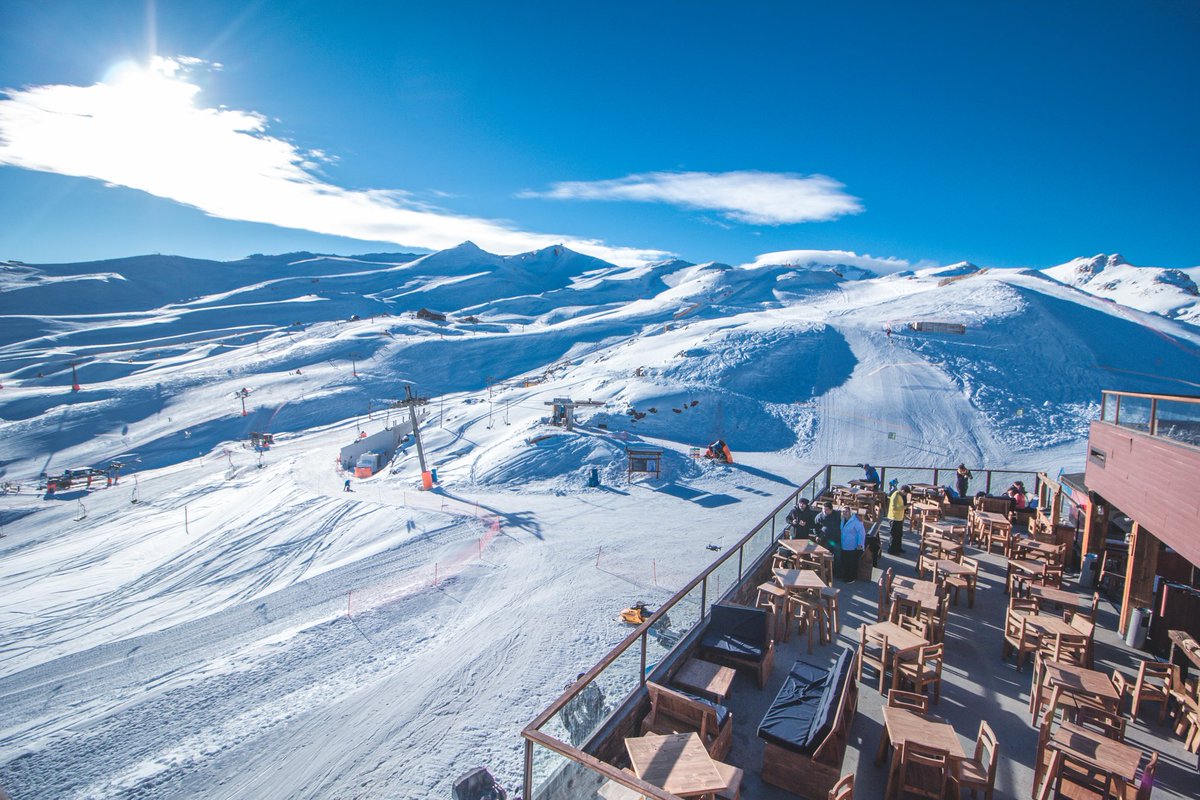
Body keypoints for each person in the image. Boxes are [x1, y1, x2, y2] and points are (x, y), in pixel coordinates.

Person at [839, 506, 866, 581]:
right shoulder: (842, 519)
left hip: (853, 546)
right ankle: (845, 575)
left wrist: (860, 544)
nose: (844, 513)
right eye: (843, 511)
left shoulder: (856, 521)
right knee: (845, 561)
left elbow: (861, 533)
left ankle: (851, 578)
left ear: (850, 512)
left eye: (846, 511)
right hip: (844, 545)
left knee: (852, 562)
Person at [886, 484, 909, 556]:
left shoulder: (900, 495)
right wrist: (905, 507)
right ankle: (891, 550)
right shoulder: (895, 495)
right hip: (894, 517)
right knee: (894, 534)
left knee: (899, 534)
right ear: (902, 491)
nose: (906, 494)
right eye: (906, 493)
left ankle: (898, 548)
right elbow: (895, 508)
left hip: (899, 518)